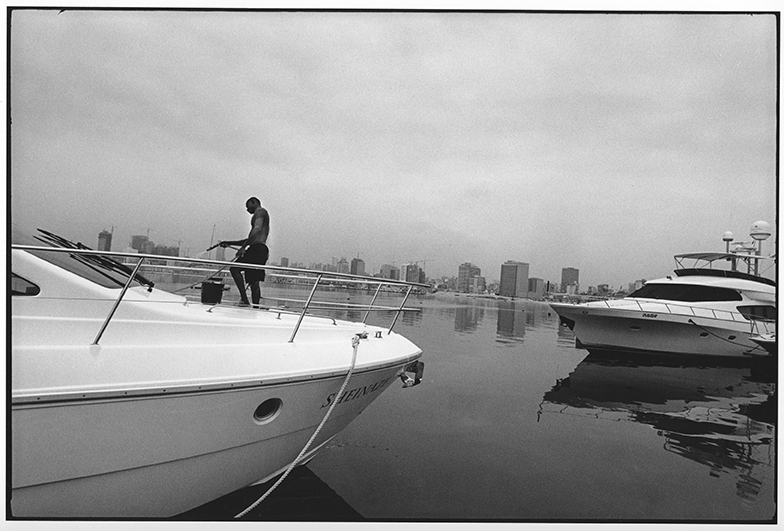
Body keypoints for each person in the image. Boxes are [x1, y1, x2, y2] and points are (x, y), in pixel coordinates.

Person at [219, 197, 270, 307]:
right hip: (258, 249)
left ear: (254, 202)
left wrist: (243, 247)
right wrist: (229, 243)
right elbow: (251, 239)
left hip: (257, 249)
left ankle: (245, 299)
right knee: (253, 281)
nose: (247, 210)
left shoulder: (260, 212)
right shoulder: (260, 214)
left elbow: (257, 230)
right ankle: (255, 305)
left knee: (235, 269)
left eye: (248, 207)